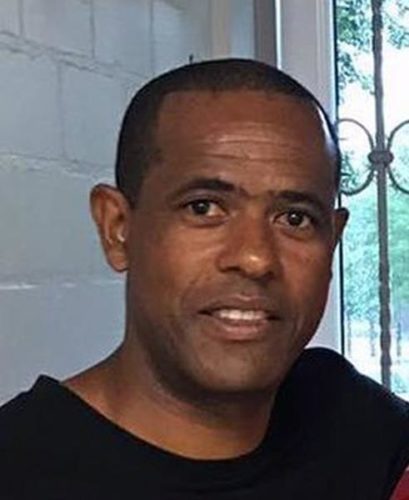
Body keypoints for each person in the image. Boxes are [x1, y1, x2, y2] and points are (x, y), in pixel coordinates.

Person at [0, 59, 408, 499]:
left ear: (332, 242)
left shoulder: (358, 426)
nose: (255, 258)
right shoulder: (19, 469)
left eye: (295, 218)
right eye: (204, 208)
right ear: (117, 228)